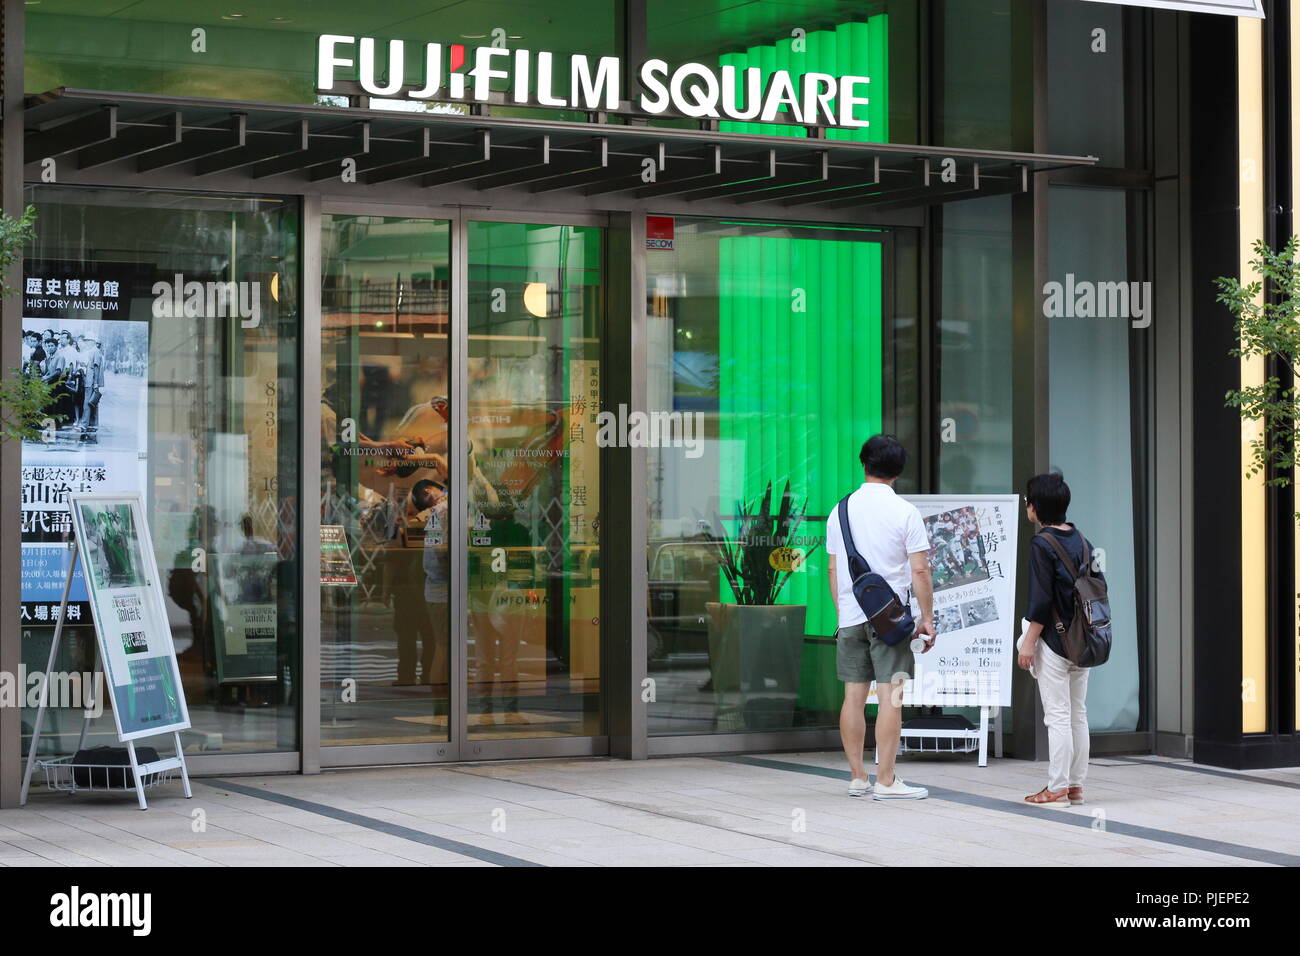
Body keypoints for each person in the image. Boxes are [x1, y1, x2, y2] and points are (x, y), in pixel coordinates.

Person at [826, 434, 935, 801]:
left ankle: (858, 777)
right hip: (891, 621)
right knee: (892, 698)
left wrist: (844, 614)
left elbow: (833, 569)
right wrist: (927, 618)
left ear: (863, 463)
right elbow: (919, 571)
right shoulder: (905, 512)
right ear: (898, 471)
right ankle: (886, 781)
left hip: (851, 617)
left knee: (853, 697)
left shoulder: (839, 510)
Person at [1016, 472, 1104, 807]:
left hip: (1054, 641)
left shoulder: (1041, 543)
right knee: (1077, 713)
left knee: (1057, 715)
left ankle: (1056, 788)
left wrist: (1028, 643)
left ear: (1036, 508)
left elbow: (1040, 601)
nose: (1027, 505)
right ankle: (1075, 785)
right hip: (1083, 640)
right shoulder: (1082, 540)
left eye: (1028, 501)